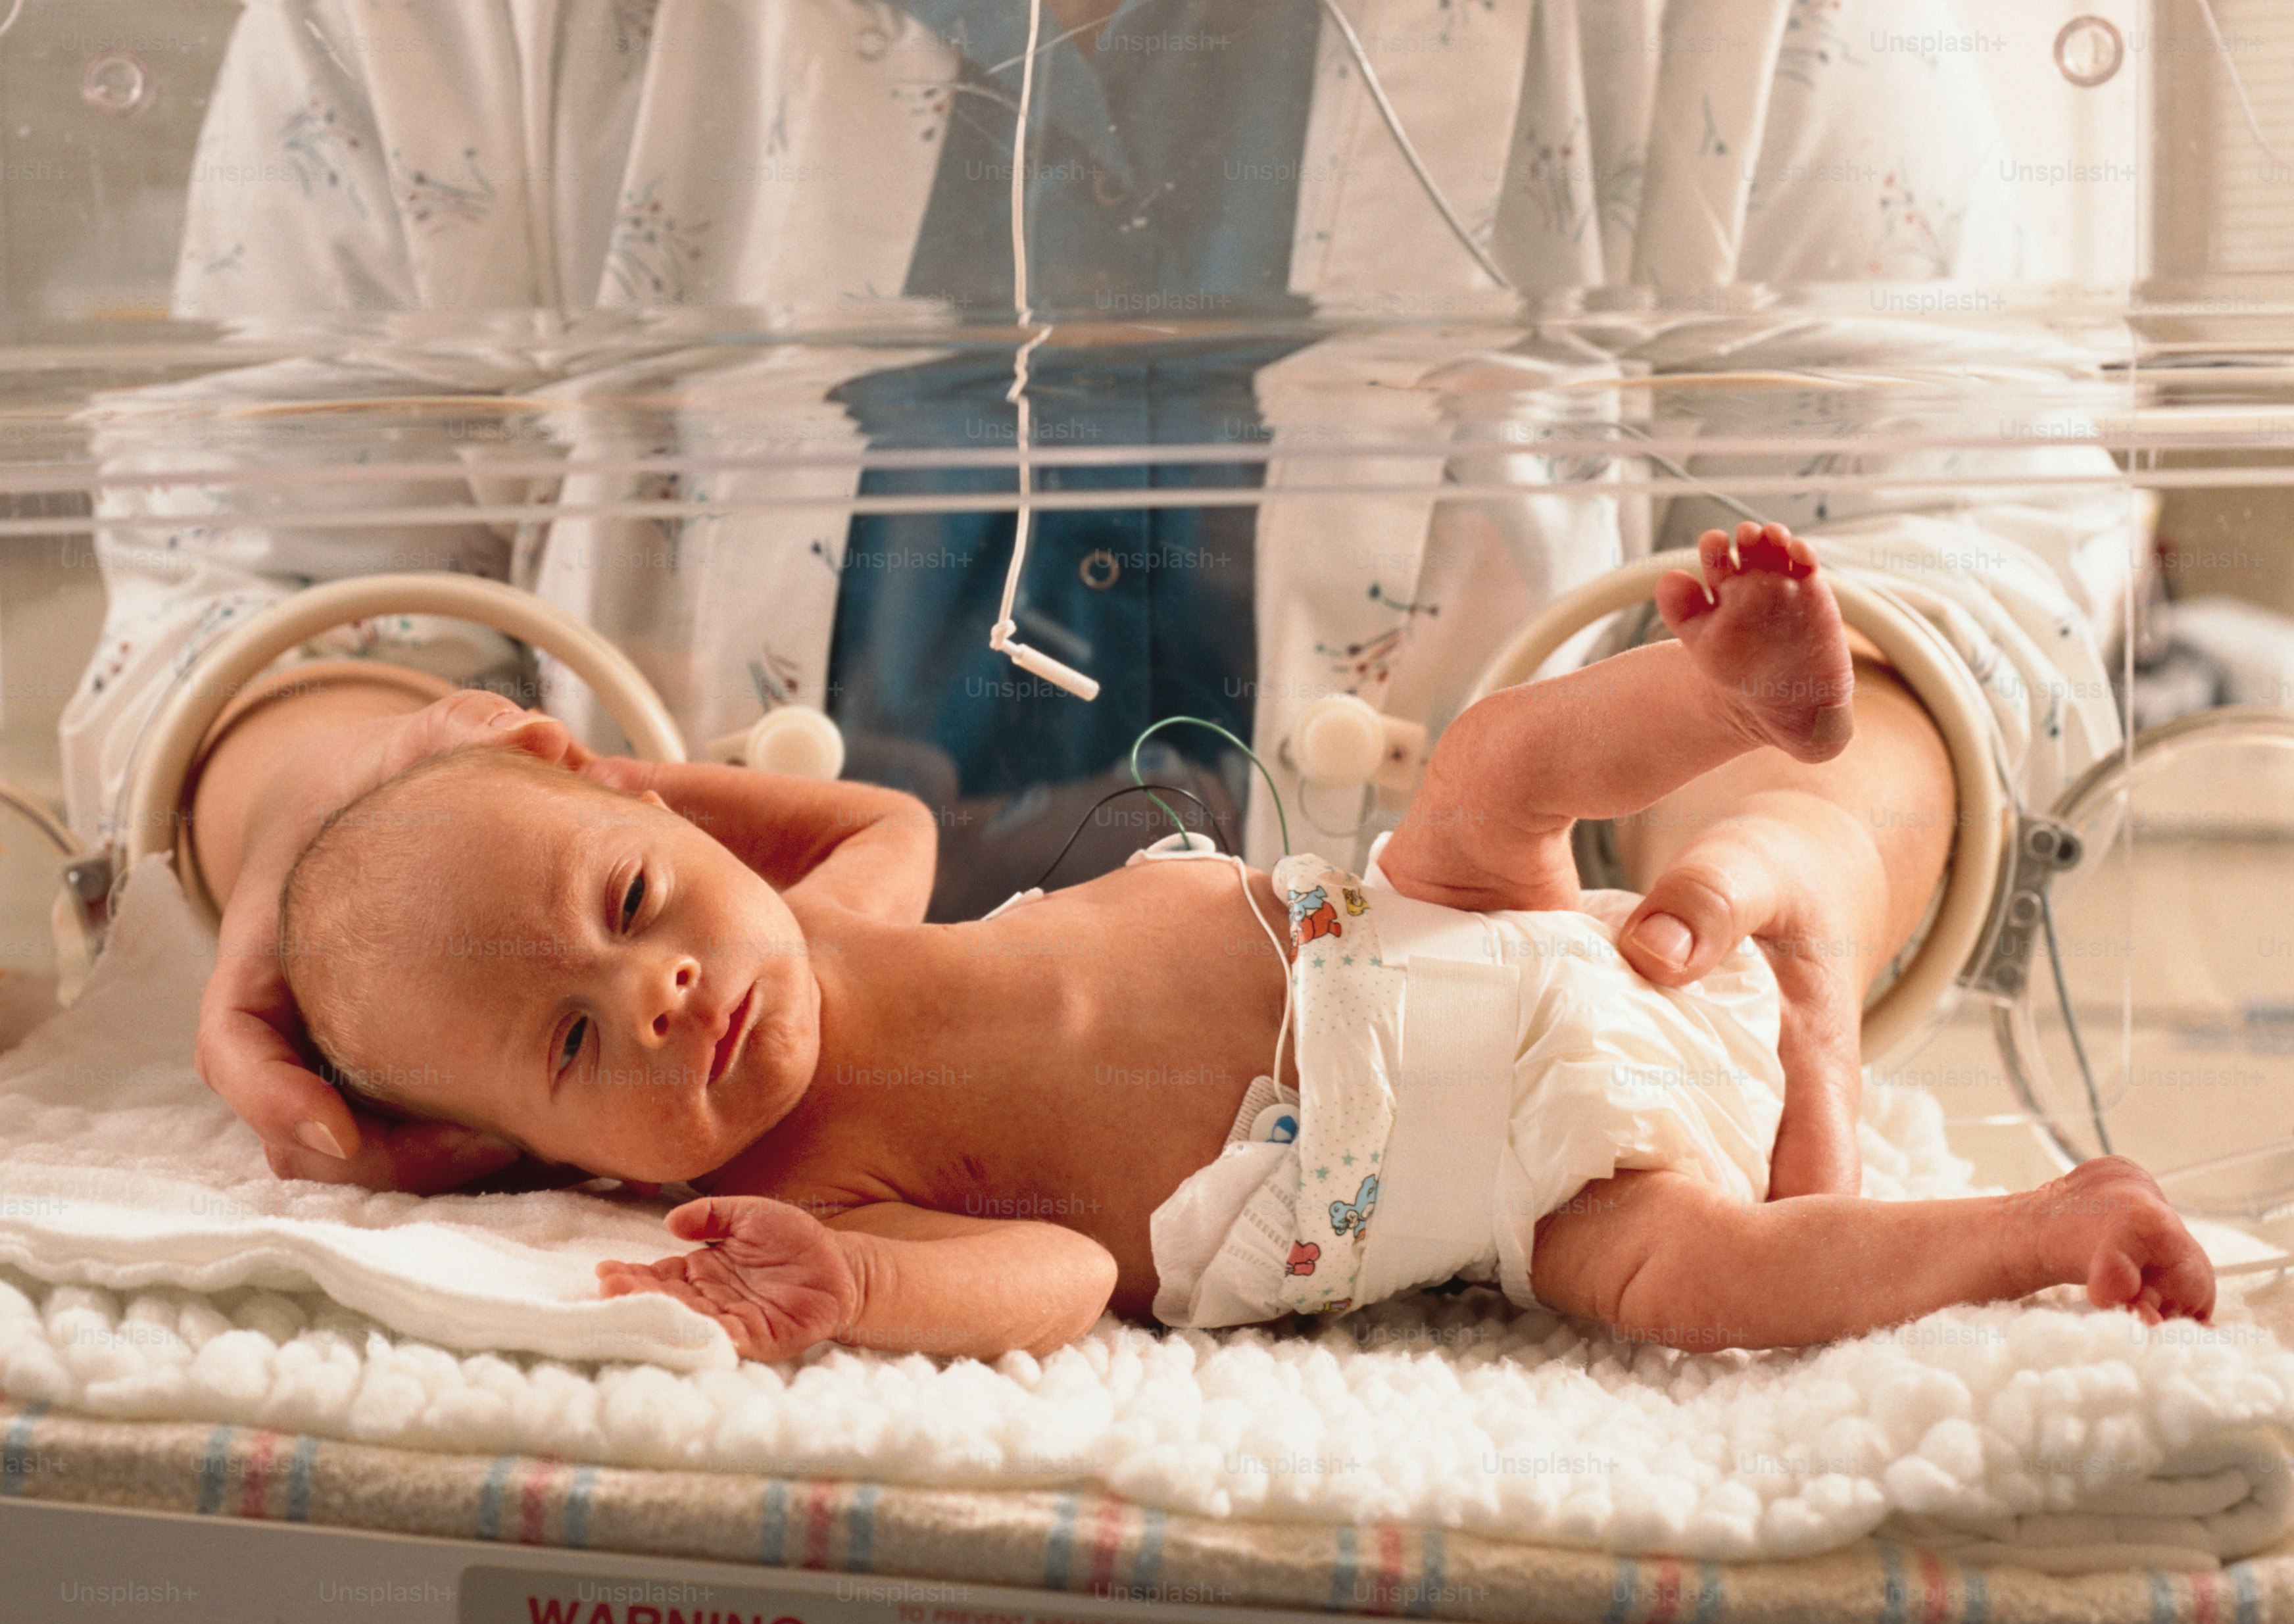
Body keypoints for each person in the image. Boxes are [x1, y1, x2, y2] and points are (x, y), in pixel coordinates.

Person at [62, 0, 2120, 1195]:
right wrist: (343, 847)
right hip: (765, 1221)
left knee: (1562, 898)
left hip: (1512, 1081)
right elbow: (266, 573)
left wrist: (1805, 849)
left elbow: (1972, 538)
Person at [262, 526, 2213, 1360]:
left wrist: (621, 780)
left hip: (1409, 915)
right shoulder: (803, 1160)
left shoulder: (829, 911)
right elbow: (1044, 1278)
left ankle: (1730, 698)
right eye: (580, 1049)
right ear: (565, 1167)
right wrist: (850, 1283)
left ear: (672, 827)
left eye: (628, 904)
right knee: (1702, 1279)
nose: (660, 988)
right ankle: (2034, 1232)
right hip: (1476, 1169)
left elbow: (880, 812)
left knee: (1493, 769)